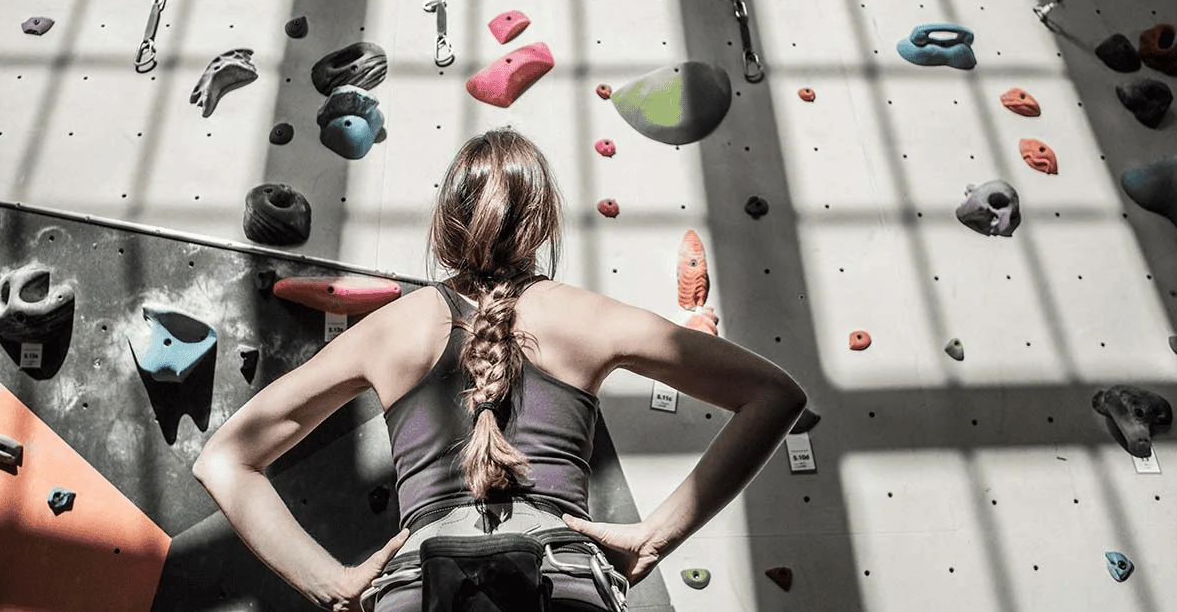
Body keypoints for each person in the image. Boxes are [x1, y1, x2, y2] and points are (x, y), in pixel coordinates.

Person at [193, 128, 807, 611]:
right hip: (563, 584)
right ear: (542, 224)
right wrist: (653, 539)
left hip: (417, 589)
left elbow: (223, 459)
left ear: (446, 224)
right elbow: (774, 395)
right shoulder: (590, 318)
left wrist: (330, 584)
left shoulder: (389, 329)